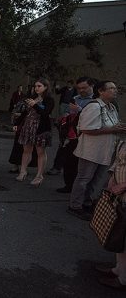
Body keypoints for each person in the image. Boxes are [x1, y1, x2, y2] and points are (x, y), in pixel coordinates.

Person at [68, 80, 123, 220]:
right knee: (84, 179)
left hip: (105, 151)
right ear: (101, 91)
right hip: (90, 151)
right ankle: (75, 206)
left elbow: (113, 126)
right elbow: (86, 128)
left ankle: (86, 203)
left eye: (115, 88)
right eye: (111, 88)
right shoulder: (94, 106)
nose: (115, 90)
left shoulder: (111, 107)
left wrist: (118, 128)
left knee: (96, 180)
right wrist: (112, 129)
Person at [55, 76, 95, 193]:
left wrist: (80, 110)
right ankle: (68, 185)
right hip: (71, 135)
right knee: (69, 161)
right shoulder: (75, 98)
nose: (81, 90)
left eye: (84, 88)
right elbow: (68, 113)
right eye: (79, 88)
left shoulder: (95, 101)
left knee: (82, 164)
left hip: (86, 135)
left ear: (92, 86)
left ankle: (81, 189)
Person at [96, 139, 126, 290]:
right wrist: (112, 178)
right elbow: (119, 161)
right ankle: (118, 270)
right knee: (120, 235)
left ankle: (123, 279)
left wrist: (124, 184)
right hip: (120, 195)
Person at [13, 78, 54, 186]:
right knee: (26, 150)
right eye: (35, 86)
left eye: (39, 86)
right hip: (28, 127)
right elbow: (24, 113)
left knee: (40, 152)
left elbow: (45, 113)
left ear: (45, 87)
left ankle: (39, 175)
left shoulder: (49, 99)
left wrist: (34, 105)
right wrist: (17, 123)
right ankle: (23, 171)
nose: (36, 88)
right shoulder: (33, 98)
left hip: (40, 128)